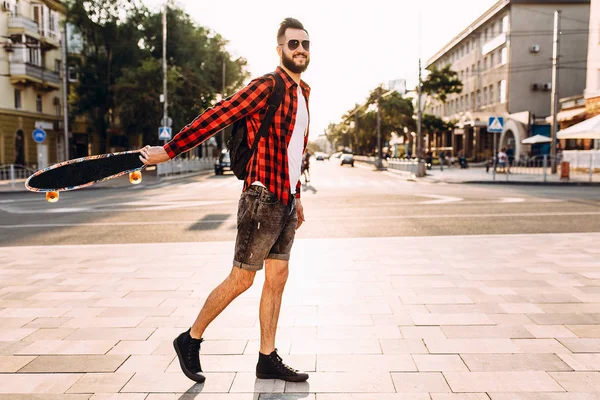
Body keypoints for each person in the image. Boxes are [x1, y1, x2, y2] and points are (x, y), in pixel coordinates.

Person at [138, 17, 311, 384]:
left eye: (305, 44)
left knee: (278, 277)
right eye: (293, 44)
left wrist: (296, 196)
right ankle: (190, 338)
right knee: (243, 278)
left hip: (284, 199)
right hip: (262, 196)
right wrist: (169, 151)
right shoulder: (267, 86)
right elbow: (219, 114)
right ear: (279, 48)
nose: (300, 50)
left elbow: (293, 153)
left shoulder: (303, 92)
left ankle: (267, 357)